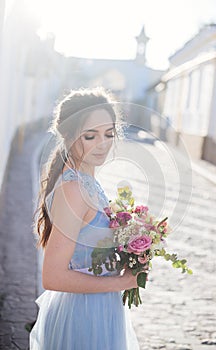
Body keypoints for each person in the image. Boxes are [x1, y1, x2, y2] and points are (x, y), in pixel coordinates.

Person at [30, 87, 140, 350]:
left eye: (108, 134)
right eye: (90, 136)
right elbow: (52, 277)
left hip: (99, 306)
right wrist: (122, 281)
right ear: (67, 135)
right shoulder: (74, 190)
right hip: (85, 314)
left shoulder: (86, 180)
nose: (102, 144)